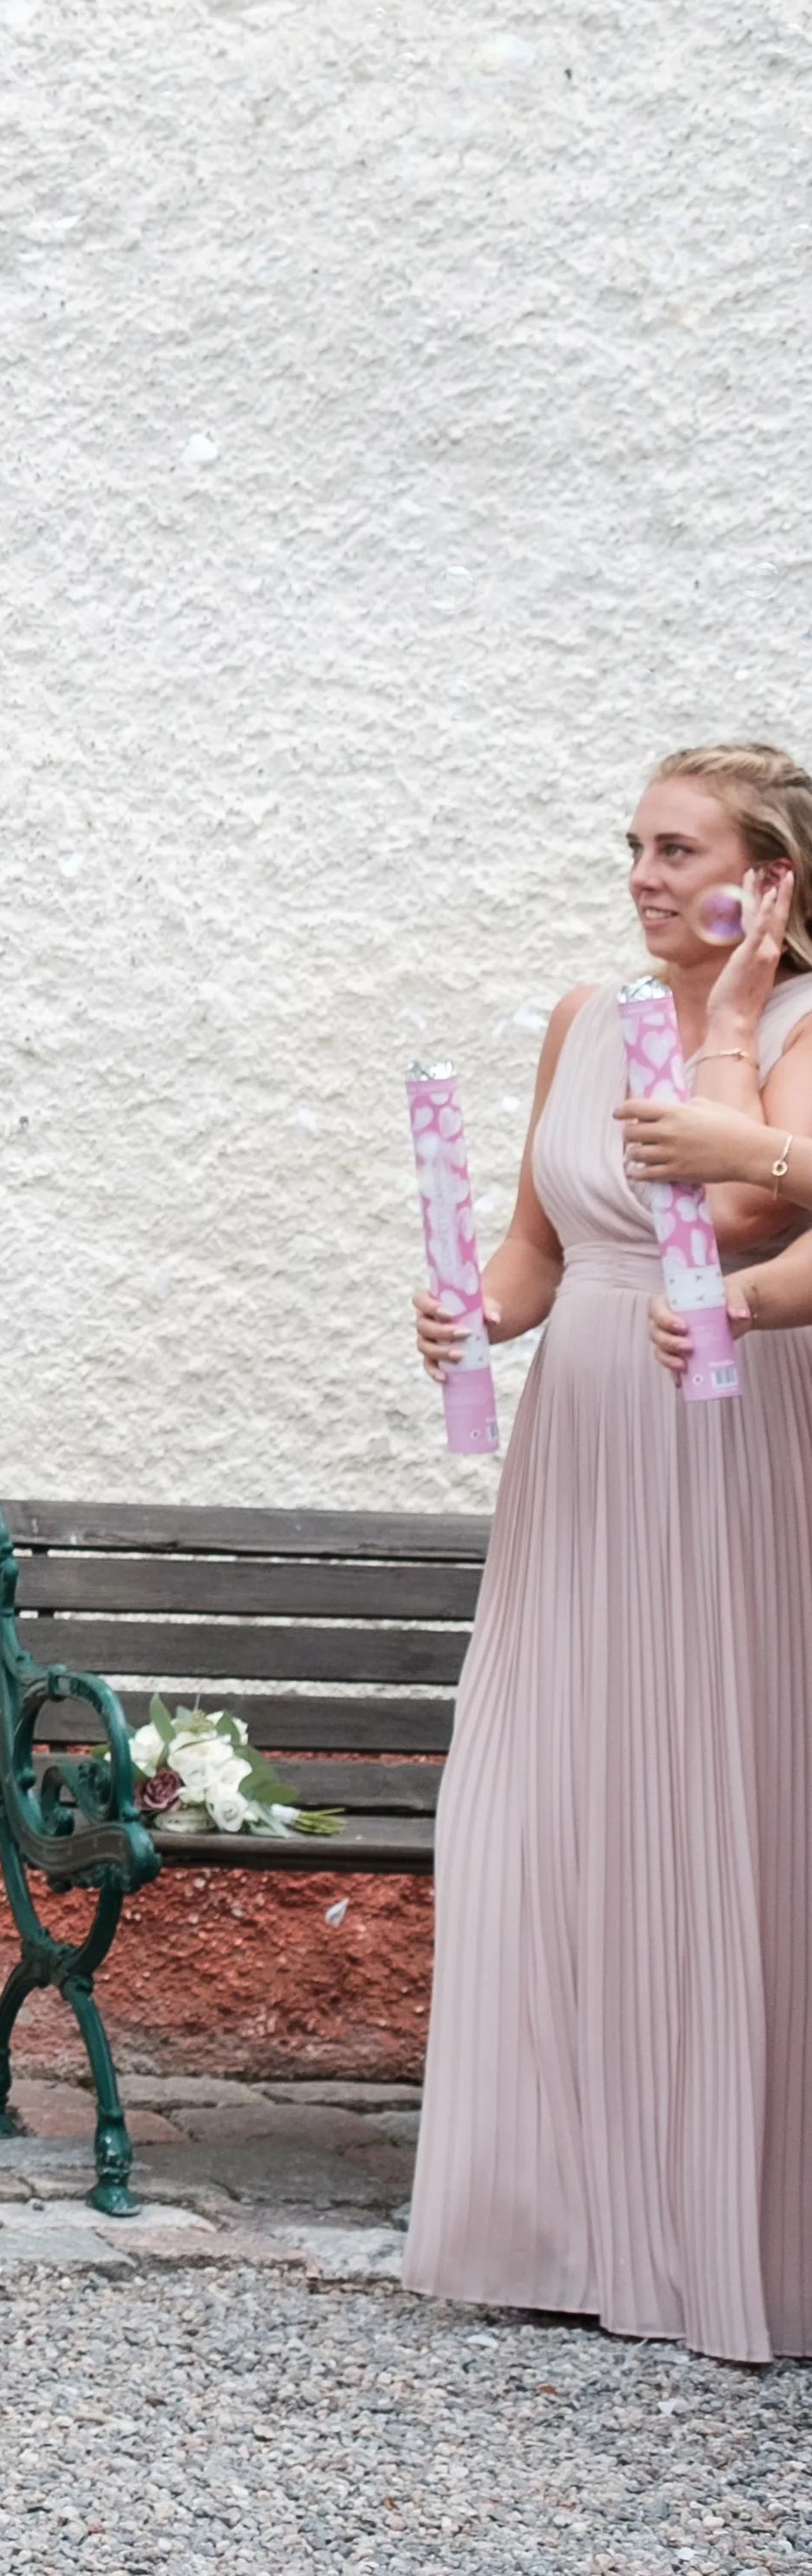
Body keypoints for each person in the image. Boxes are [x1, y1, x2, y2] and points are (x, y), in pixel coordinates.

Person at [407, 742, 812, 2363]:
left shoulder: (799, 1029)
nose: (641, 878)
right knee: (535, 1799)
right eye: (631, 847)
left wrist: (735, 1019)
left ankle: (713, 2228)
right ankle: (560, 2217)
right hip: (576, 1448)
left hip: (723, 1439)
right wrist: (472, 1314)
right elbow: (536, 1243)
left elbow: (745, 1218)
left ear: (766, 878)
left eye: (677, 851)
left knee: (703, 1802)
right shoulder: (583, 1021)